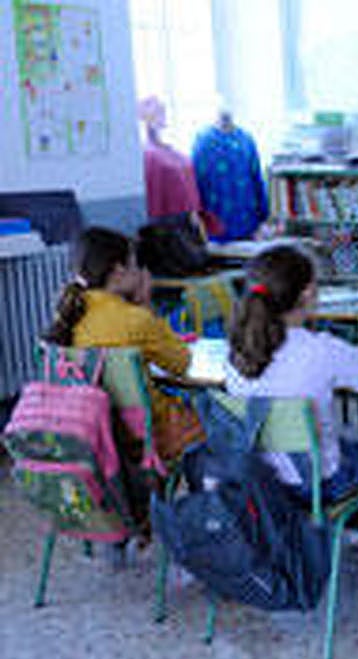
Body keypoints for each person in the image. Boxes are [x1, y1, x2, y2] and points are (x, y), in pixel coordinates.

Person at [225, 246, 358, 542]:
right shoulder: (322, 349)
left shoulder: (236, 352)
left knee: (343, 448)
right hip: (319, 483)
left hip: (264, 479)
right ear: (308, 293)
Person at [44, 227, 203, 468]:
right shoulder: (135, 318)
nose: (140, 272)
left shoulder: (68, 315)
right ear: (119, 270)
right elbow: (182, 363)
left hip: (94, 432)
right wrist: (145, 303)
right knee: (215, 415)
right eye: (135, 264)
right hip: (152, 434)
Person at [192, 109, 269, 242]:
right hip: (214, 226)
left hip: (247, 224)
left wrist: (263, 217)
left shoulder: (246, 139)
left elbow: (256, 178)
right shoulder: (203, 141)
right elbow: (196, 183)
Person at [139, 96, 203, 221]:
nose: (162, 116)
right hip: (164, 215)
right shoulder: (148, 155)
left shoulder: (174, 150)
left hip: (185, 211)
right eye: (158, 112)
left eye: (162, 111)